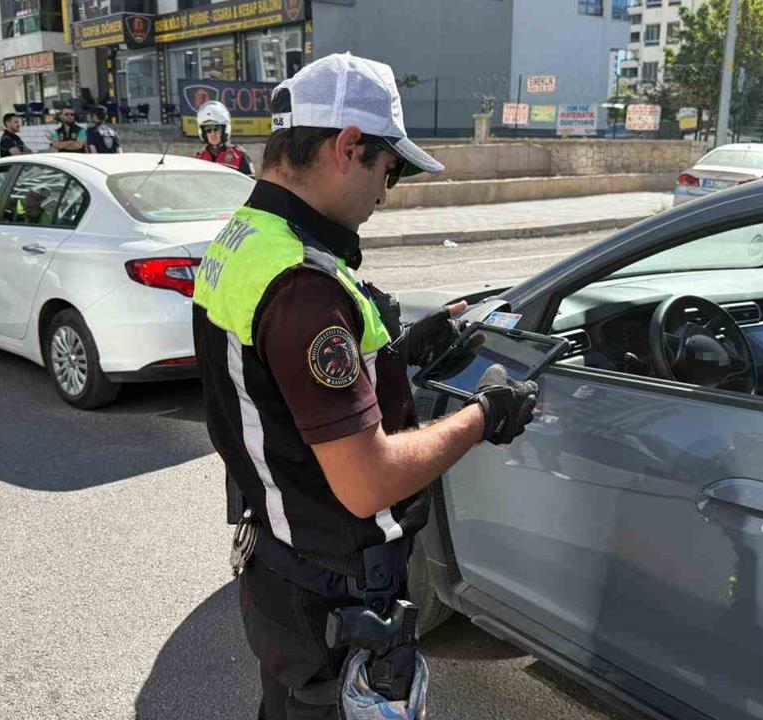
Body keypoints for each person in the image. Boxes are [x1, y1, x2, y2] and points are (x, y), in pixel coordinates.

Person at [192, 53, 539, 719]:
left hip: (282, 568)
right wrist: (485, 417)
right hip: (334, 591)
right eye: (391, 168)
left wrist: (401, 352)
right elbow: (368, 480)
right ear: (349, 147)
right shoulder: (303, 284)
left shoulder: (246, 239)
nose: (388, 190)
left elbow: (278, 390)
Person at [194, 100, 252, 176]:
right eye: (208, 130)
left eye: (216, 129)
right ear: (203, 133)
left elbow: (250, 183)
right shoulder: (199, 157)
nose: (213, 134)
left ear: (224, 130)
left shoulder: (238, 155)